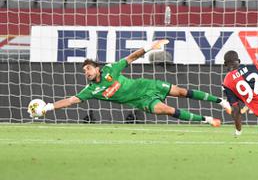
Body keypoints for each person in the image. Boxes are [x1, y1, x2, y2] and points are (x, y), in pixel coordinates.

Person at [28, 39, 230, 126]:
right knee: (169, 110)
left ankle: (221, 101)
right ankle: (207, 120)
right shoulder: (91, 90)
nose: (86, 72)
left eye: (88, 68)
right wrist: (49, 107)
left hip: (146, 86)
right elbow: (71, 100)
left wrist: (150, 47)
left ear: (97, 68)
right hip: (142, 102)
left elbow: (130, 58)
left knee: (182, 91)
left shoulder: (110, 70)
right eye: (84, 71)